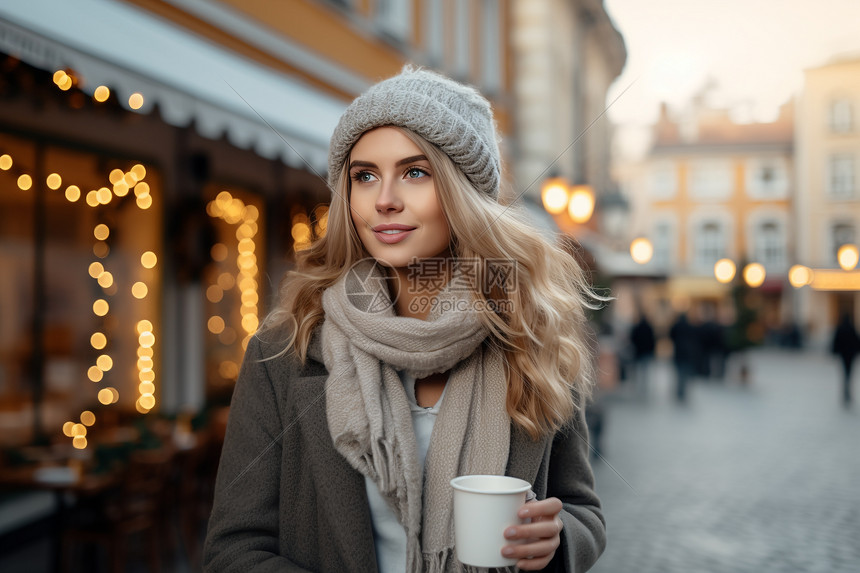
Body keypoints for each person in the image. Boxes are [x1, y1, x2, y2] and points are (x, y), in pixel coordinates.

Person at [203, 66, 606, 572]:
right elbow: (233, 549)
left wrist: (555, 540)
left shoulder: (531, 337)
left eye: (415, 172)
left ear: (465, 194)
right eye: (364, 176)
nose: (384, 198)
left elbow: (583, 510)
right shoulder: (286, 348)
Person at [831, 313, 860, 406]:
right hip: (850, 355)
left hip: (843, 355)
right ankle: (847, 392)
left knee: (845, 373)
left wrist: (835, 352)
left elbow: (836, 341)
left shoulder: (840, 328)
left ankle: (845, 391)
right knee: (849, 373)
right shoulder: (852, 329)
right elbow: (857, 341)